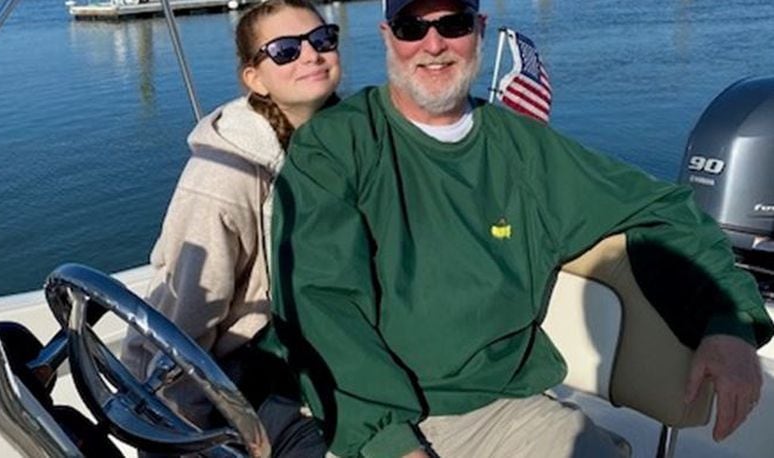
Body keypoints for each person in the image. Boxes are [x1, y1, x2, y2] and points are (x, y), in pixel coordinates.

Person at [263, 0, 774, 457]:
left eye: (454, 23)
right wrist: (389, 443)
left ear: (479, 30)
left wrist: (728, 324)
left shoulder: (524, 148)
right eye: (412, 26)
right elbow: (321, 303)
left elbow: (663, 209)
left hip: (498, 407)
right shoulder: (333, 147)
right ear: (386, 36)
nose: (433, 44)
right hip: (350, 413)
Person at [120, 0, 340, 455]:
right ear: (254, 78)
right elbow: (188, 317)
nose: (311, 55)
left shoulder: (341, 139)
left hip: (308, 341)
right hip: (231, 367)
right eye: (285, 50)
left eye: (322, 40)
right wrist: (181, 434)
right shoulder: (225, 175)